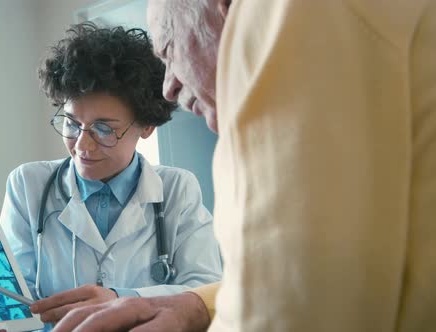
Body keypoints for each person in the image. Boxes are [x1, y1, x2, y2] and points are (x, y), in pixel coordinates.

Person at [53, 0, 436, 331]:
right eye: (73, 123)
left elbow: (291, 310)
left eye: (168, 49)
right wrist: (197, 305)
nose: (168, 86)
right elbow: (350, 274)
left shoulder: (284, 13)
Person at [0, 22, 222, 332]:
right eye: (72, 123)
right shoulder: (28, 183)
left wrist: (120, 299)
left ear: (146, 127)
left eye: (104, 129)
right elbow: (20, 296)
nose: (82, 145)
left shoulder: (176, 189)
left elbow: (206, 290)